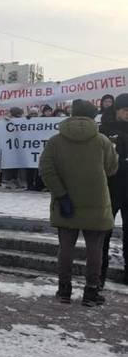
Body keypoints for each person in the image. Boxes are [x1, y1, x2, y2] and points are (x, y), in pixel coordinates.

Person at [39, 99, 118, 306]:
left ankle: (64, 290)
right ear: (93, 116)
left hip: (66, 202)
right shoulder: (102, 141)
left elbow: (46, 170)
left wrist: (61, 194)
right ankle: (91, 291)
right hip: (97, 203)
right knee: (95, 249)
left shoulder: (55, 141)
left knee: (66, 248)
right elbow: (111, 169)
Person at [99, 93, 128, 286]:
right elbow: (103, 160)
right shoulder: (105, 129)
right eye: (126, 110)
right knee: (103, 233)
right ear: (117, 110)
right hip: (110, 187)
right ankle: (98, 275)